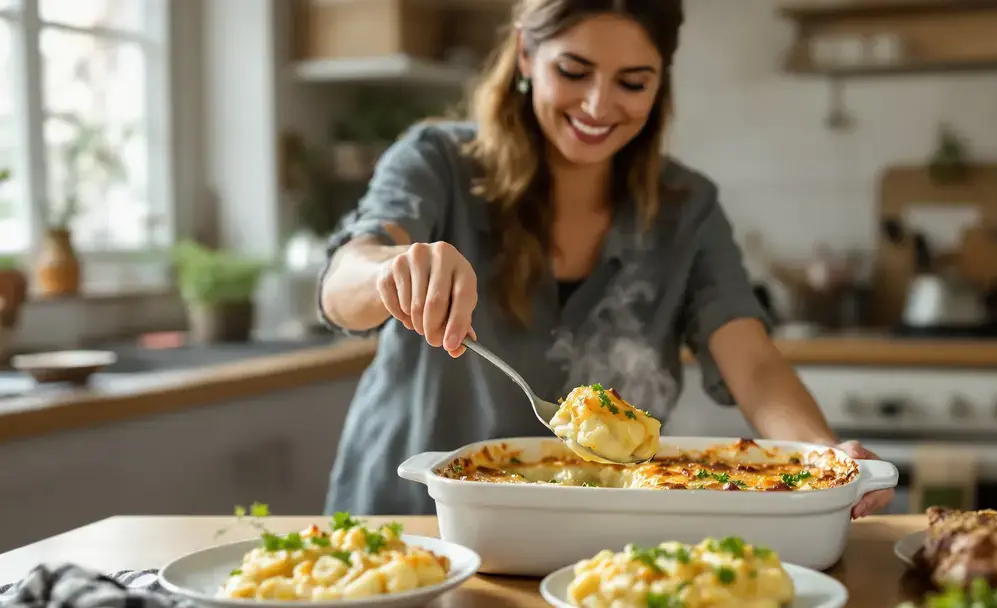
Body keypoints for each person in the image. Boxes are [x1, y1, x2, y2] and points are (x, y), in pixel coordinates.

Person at [318, 0, 894, 519]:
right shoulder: (436, 161)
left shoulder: (687, 208)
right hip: (409, 522)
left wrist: (823, 459)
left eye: (633, 82)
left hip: (593, 533)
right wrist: (392, 270)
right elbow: (343, 284)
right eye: (573, 72)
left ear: (661, 83)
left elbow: (754, 363)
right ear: (525, 54)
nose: (598, 105)